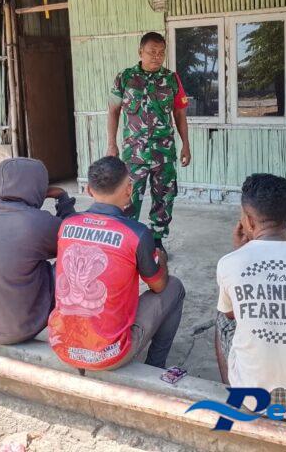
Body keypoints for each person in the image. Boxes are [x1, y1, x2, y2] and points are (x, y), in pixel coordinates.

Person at [48, 156, 185, 371]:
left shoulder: (67, 225)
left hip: (62, 347)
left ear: (89, 191)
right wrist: (163, 262)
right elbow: (158, 286)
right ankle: (156, 367)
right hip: (109, 355)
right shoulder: (137, 233)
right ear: (129, 190)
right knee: (174, 287)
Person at [215, 174, 286, 407]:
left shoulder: (230, 263)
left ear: (248, 220)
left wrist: (239, 253)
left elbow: (232, 315)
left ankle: (233, 393)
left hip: (253, 400)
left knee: (222, 317)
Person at [0, 158, 76, 345]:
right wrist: (63, 198)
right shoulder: (35, 222)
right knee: (75, 260)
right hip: (17, 329)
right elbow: (74, 236)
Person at [106, 32, 191, 254]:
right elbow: (113, 111)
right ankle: (129, 241)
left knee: (164, 196)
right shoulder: (125, 78)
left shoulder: (172, 79)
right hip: (134, 153)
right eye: (152, 52)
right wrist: (111, 144)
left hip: (164, 152)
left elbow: (180, 114)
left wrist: (186, 144)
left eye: (161, 52)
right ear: (140, 52)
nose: (157, 56)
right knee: (129, 196)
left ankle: (156, 240)